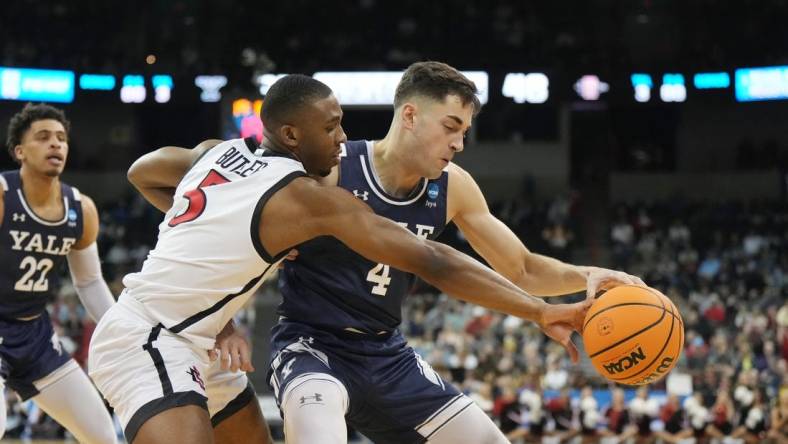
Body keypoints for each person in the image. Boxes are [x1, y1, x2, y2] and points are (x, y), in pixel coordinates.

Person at [89, 74, 593, 444]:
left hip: (202, 341)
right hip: (150, 336)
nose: (343, 139)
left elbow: (143, 171)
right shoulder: (306, 198)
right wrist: (540, 311)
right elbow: (433, 260)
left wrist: (219, 258)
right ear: (291, 136)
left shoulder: (218, 152)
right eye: (331, 128)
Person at [1, 103, 117, 443]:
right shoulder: (3, 196)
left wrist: (120, 328)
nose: (56, 144)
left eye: (62, 138)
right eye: (43, 137)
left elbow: (90, 282)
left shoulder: (81, 209)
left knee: (103, 436)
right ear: (19, 151)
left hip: (33, 334)